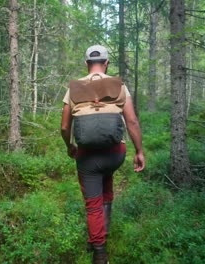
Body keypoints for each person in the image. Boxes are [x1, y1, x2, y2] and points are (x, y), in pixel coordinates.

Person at [61, 45, 145, 264]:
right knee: (106, 181)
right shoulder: (119, 86)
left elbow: (64, 127)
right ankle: (102, 231)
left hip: (88, 156)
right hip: (115, 154)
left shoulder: (74, 88)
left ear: (86, 63)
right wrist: (139, 151)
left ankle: (99, 253)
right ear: (106, 63)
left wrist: (70, 145)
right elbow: (132, 121)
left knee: (93, 203)